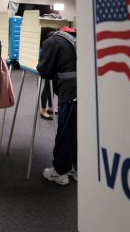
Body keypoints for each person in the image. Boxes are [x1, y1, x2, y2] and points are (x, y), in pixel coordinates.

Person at [37, 26, 78, 185]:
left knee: (65, 133)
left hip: (70, 93)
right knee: (78, 132)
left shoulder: (51, 42)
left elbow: (44, 70)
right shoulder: (75, 36)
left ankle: (60, 172)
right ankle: (78, 169)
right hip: (87, 91)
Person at [39, 27, 57, 120]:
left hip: (53, 66)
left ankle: (50, 108)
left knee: (51, 88)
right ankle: (43, 110)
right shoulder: (47, 42)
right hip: (48, 68)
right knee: (46, 88)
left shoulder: (51, 40)